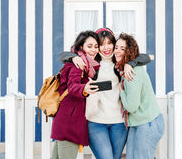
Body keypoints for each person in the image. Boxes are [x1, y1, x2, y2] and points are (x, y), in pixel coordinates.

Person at [59, 28, 151, 159]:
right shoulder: (88, 61)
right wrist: (73, 57)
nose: (106, 47)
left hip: (119, 122)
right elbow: (63, 55)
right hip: (95, 122)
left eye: (109, 43)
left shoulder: (120, 62)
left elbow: (146, 57)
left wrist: (131, 63)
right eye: (101, 44)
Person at [51, 30, 101, 159]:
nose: (94, 50)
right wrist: (85, 88)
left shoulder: (87, 65)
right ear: (81, 47)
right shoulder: (78, 64)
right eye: (89, 46)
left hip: (65, 121)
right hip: (69, 124)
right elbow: (72, 86)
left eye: (96, 47)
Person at [116, 33, 164, 159]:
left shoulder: (132, 72)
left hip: (147, 123)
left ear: (129, 51)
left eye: (123, 49)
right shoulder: (126, 68)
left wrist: (120, 90)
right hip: (137, 123)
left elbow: (131, 106)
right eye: (116, 47)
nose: (117, 51)